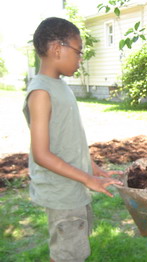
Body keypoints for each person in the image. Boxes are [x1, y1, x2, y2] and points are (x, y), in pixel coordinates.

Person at [23, 17, 123, 261]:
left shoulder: (60, 86)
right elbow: (42, 154)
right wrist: (87, 178)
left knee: (73, 251)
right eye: (78, 52)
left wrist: (94, 169)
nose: (81, 59)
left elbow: (67, 141)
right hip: (61, 192)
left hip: (72, 185)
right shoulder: (41, 93)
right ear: (58, 48)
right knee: (67, 255)